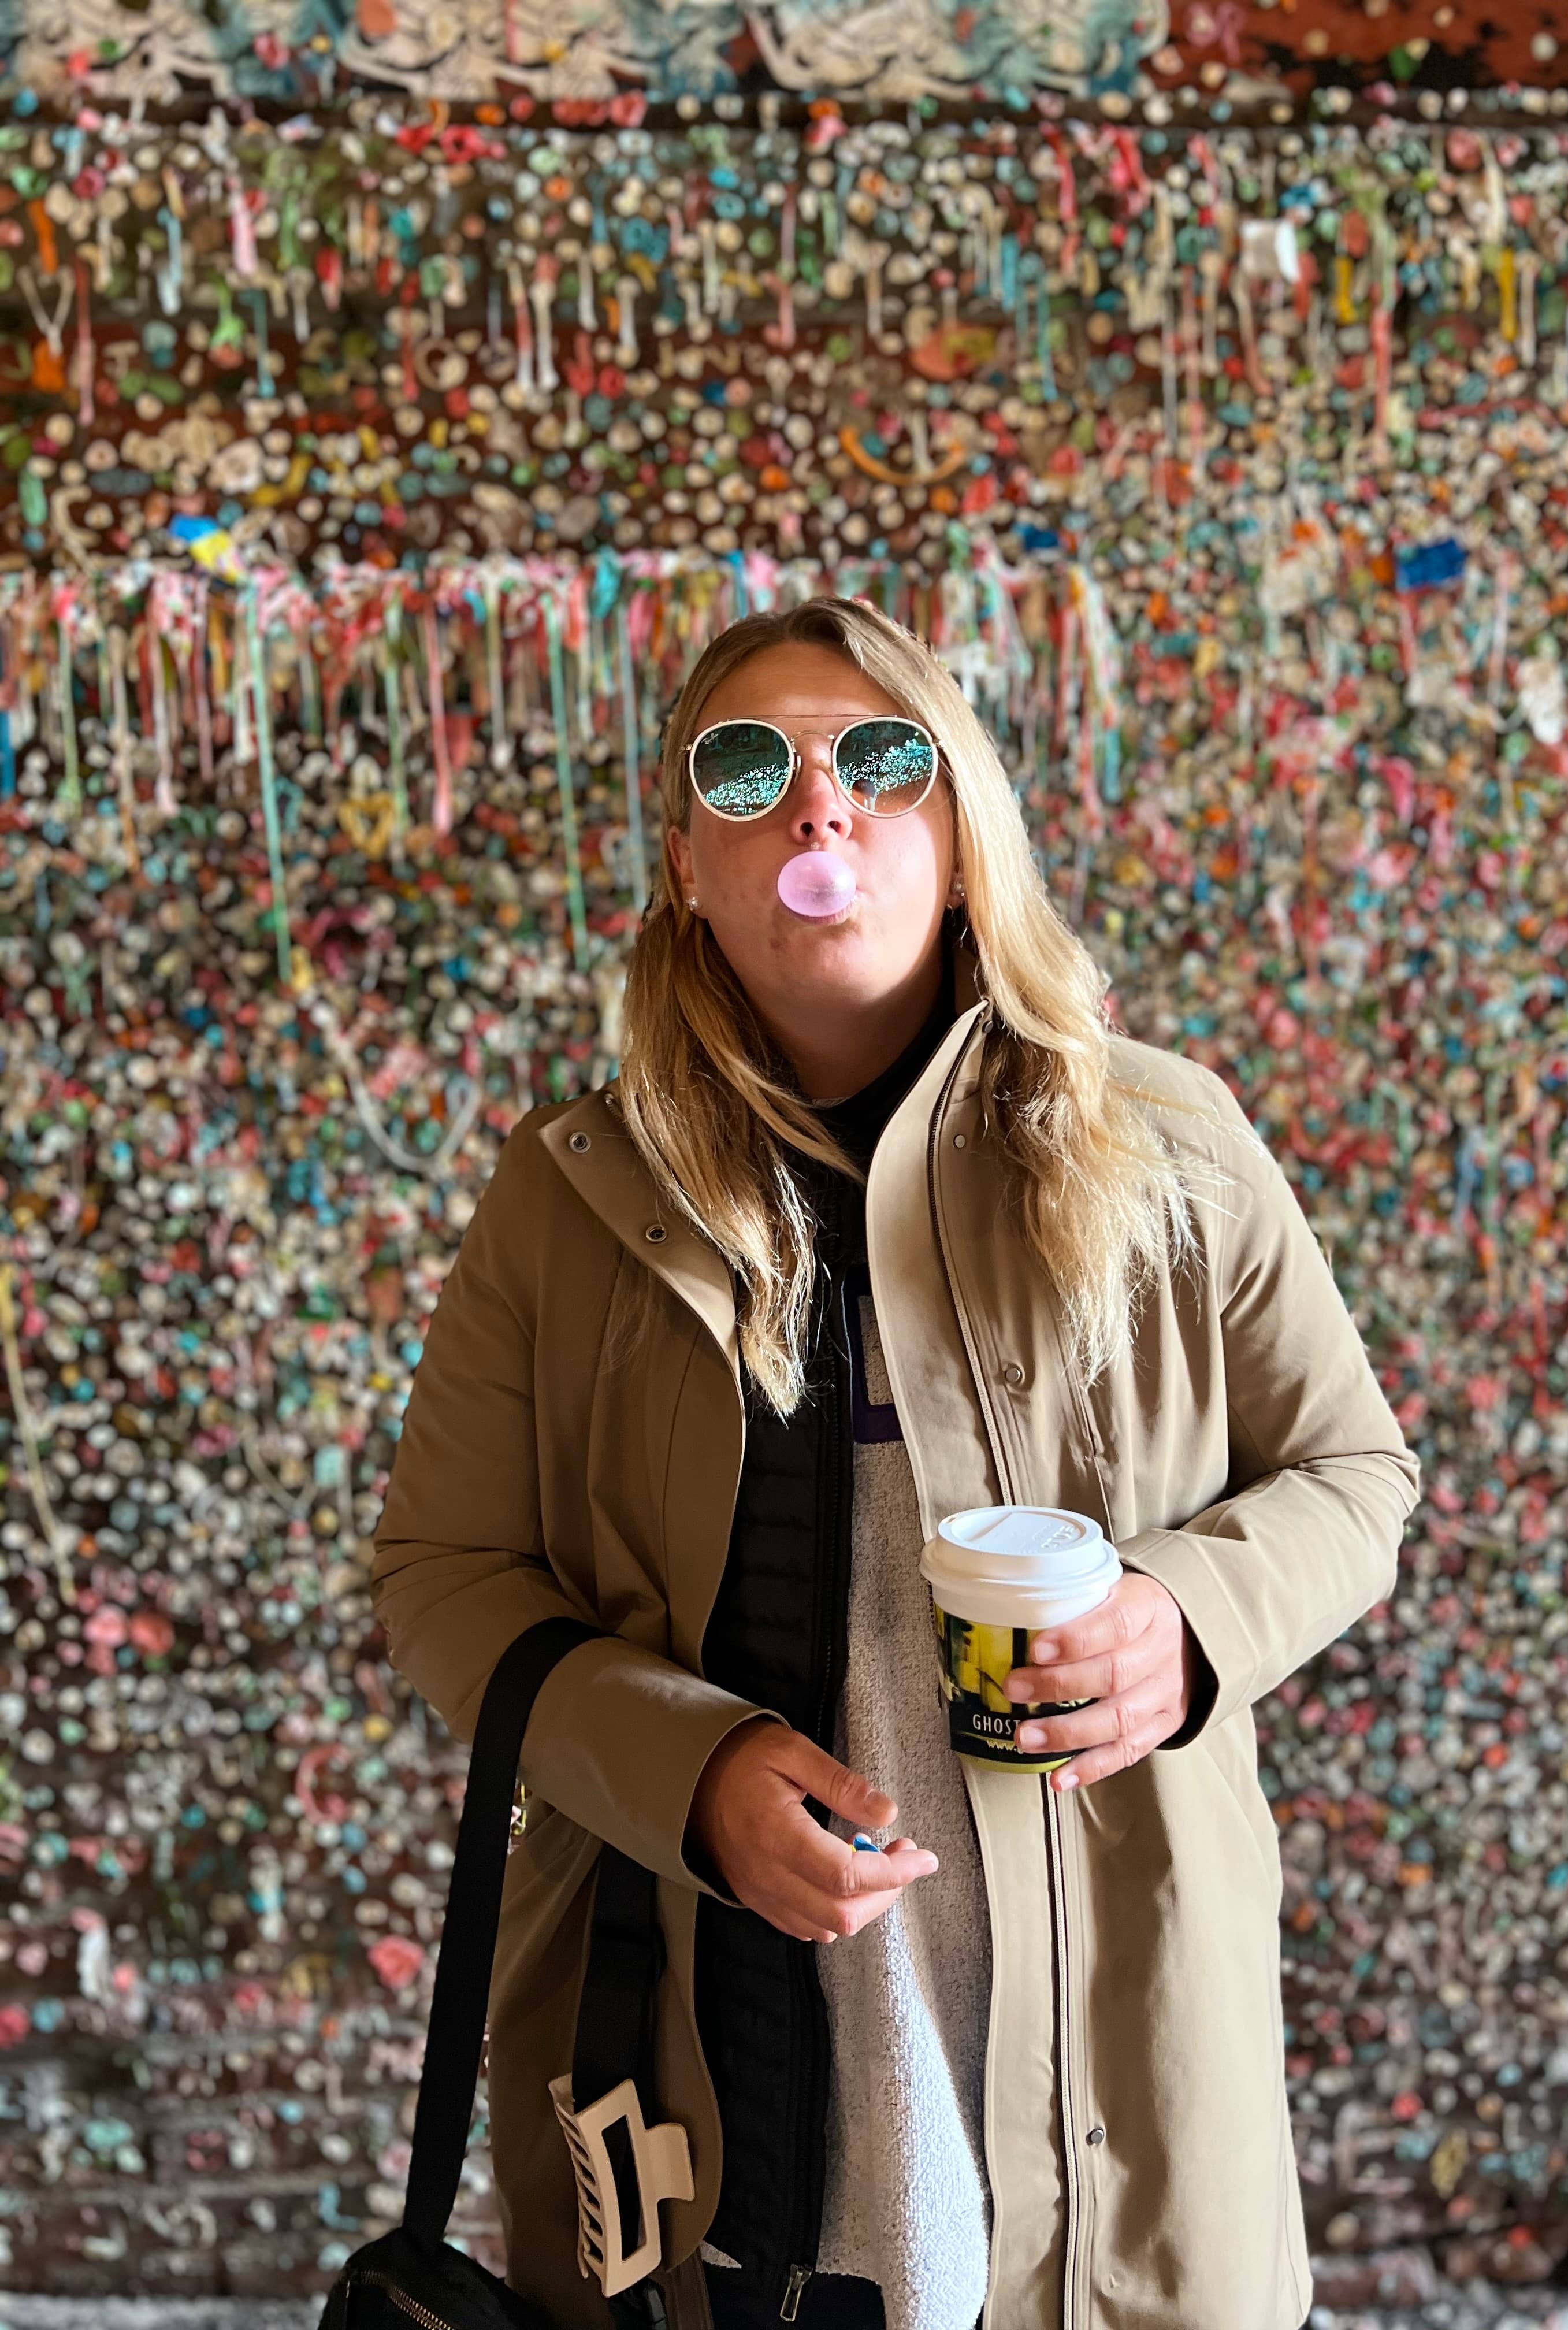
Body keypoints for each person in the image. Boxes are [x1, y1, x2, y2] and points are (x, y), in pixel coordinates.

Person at [371, 595, 1420, 2330]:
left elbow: (1354, 1473)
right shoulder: (566, 1200)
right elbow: (443, 1580)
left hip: (1112, 2050)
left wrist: (1186, 1616)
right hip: (700, 2035)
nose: (817, 806)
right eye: (745, 767)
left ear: (960, 835)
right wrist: (685, 1772)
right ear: (688, 871)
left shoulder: (1172, 1146)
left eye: (880, 757)